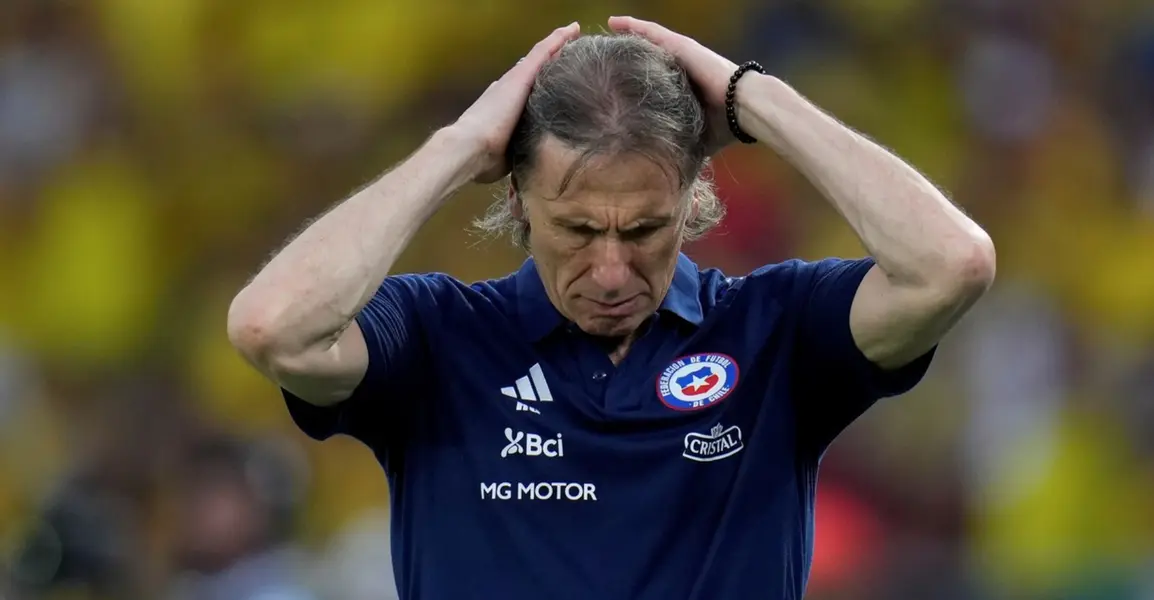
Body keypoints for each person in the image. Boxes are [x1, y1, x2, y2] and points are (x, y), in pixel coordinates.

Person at [227, 16, 995, 600]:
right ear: (517, 197)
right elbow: (273, 327)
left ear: (694, 197)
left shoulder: (773, 330)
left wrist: (752, 97)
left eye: (644, 230)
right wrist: (457, 147)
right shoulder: (437, 337)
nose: (610, 270)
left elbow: (950, 265)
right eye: (579, 229)